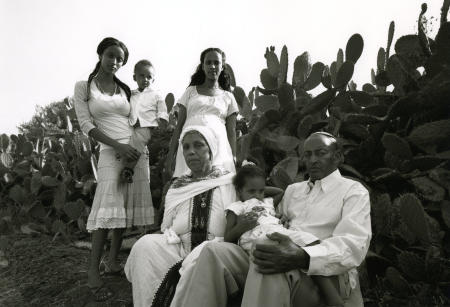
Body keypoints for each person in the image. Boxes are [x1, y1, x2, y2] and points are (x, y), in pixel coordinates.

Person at [170, 131, 372, 307]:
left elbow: (353, 246)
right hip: (281, 258)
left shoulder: (353, 192)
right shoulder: (294, 190)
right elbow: (271, 221)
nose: (312, 160)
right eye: (307, 155)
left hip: (324, 275)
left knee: (267, 257)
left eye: (321, 153)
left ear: (337, 157)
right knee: (213, 251)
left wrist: (303, 255)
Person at [73, 37, 153, 301]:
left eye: (120, 59)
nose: (115, 62)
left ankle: (113, 263)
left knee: (125, 207)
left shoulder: (125, 90)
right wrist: (117, 147)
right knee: (108, 207)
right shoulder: (84, 87)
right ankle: (92, 272)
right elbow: (86, 125)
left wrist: (136, 148)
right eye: (111, 55)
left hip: (135, 151)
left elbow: (136, 121)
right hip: (110, 151)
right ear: (100, 54)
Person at [124, 125, 237, 307]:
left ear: (211, 148)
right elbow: (166, 228)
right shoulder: (177, 187)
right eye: (186, 147)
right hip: (181, 252)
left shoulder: (229, 182)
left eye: (198, 145)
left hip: (217, 253)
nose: (191, 152)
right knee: (145, 245)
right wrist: (172, 236)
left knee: (204, 252)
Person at [225, 164, 345, 306]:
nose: (257, 196)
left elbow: (279, 192)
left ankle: (331, 294)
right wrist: (241, 227)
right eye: (251, 191)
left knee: (311, 244)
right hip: (255, 238)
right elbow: (227, 237)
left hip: (279, 232)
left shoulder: (267, 202)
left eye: (261, 191)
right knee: (273, 246)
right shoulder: (236, 207)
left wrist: (257, 190)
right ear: (239, 191)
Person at [165, 47, 238, 178]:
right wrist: (170, 156)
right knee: (187, 183)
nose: (212, 66)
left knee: (218, 186)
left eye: (216, 62)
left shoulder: (228, 97)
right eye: (208, 62)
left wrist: (233, 156)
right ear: (203, 66)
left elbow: (231, 131)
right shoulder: (190, 92)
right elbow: (179, 125)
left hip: (219, 147)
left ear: (222, 67)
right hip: (190, 145)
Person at [120, 59, 168, 183]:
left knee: (138, 141)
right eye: (142, 76)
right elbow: (124, 110)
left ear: (153, 80)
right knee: (125, 141)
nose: (145, 79)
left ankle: (128, 169)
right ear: (134, 77)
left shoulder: (156, 95)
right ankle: (121, 161)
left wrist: (162, 122)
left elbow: (162, 111)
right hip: (130, 127)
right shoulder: (129, 94)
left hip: (146, 126)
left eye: (149, 77)